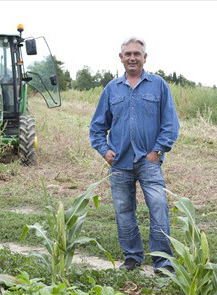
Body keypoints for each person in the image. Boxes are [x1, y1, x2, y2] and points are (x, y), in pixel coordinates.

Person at [89, 36, 179, 275]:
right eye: (127, 54)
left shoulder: (158, 85)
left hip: (148, 162)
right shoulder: (111, 89)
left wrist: (157, 151)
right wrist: (103, 150)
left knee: (159, 208)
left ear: (144, 57)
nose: (132, 58)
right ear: (121, 58)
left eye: (136, 54)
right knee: (124, 211)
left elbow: (170, 124)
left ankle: (162, 262)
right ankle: (132, 257)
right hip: (119, 163)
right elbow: (97, 126)